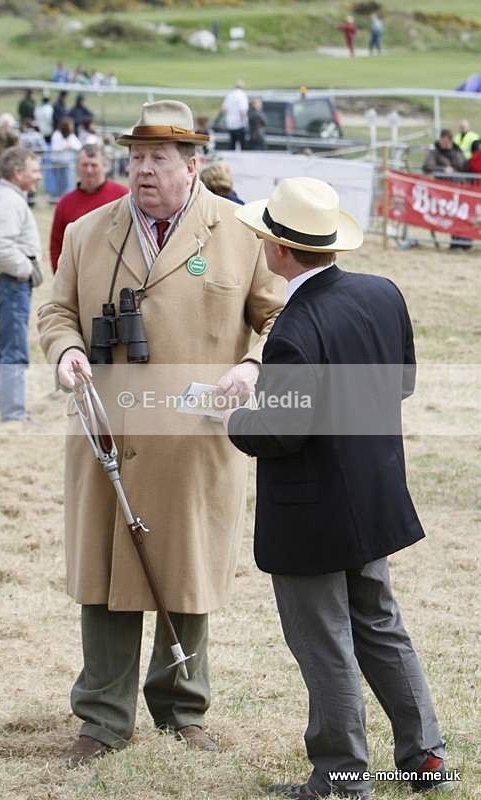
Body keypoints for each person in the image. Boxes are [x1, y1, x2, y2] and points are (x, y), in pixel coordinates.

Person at [37, 99, 284, 767]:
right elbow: (56, 312)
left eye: (159, 159)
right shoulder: (88, 231)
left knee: (187, 571)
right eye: (137, 157)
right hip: (106, 431)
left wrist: (253, 366)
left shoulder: (239, 233)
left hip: (194, 437)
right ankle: (102, 718)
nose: (143, 170)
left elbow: (277, 318)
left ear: (192, 164)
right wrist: (66, 351)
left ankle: (183, 709)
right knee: (105, 577)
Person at [225, 176, 451, 800]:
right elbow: (401, 384)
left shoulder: (295, 328)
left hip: (311, 513)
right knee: (380, 623)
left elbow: (279, 430)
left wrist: (232, 416)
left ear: (279, 249)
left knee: (325, 643)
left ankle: (342, 778)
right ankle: (425, 756)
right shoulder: (382, 293)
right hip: (372, 494)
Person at [0, 146, 43, 423]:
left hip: (8, 282)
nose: (39, 176)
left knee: (12, 346)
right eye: (34, 170)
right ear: (18, 173)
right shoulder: (8, 200)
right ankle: (14, 415)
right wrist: (26, 270)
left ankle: (12, 411)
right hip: (9, 283)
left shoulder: (8, 197)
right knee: (14, 349)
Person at [49, 142, 129, 273]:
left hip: (115, 274)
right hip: (78, 275)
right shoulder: (65, 203)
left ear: (105, 166)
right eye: (85, 165)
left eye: (94, 165)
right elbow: (56, 246)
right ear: (77, 167)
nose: (89, 170)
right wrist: (60, 276)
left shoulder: (123, 196)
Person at [50, 116, 81, 201]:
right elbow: (55, 148)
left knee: (67, 182)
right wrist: (65, 146)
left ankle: (66, 198)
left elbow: (78, 146)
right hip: (57, 163)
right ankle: (57, 199)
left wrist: (71, 146)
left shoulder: (71, 135)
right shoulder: (57, 134)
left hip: (67, 163)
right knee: (58, 182)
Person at [221, 80, 249, 150]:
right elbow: (242, 111)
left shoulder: (229, 95)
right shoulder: (242, 95)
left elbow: (224, 110)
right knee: (243, 146)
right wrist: (245, 123)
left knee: (232, 146)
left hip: (230, 124)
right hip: (240, 124)